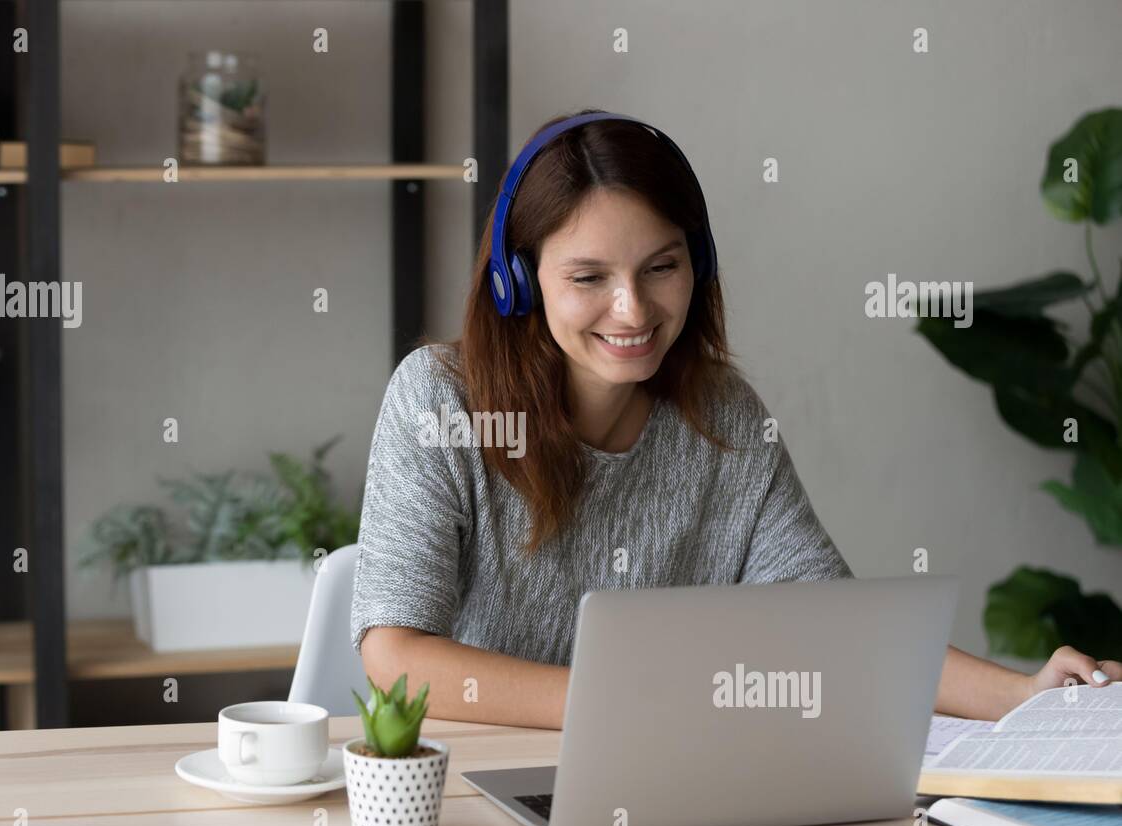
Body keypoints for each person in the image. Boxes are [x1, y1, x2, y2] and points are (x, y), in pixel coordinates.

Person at [349, 108, 1117, 730]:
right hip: (475, 786)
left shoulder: (723, 418)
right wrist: (629, 705)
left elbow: (831, 622)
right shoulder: (439, 402)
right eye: (589, 277)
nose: (634, 309)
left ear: (699, 263)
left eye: (662, 266)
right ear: (521, 283)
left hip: (660, 777)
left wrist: (1025, 699)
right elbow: (395, 653)